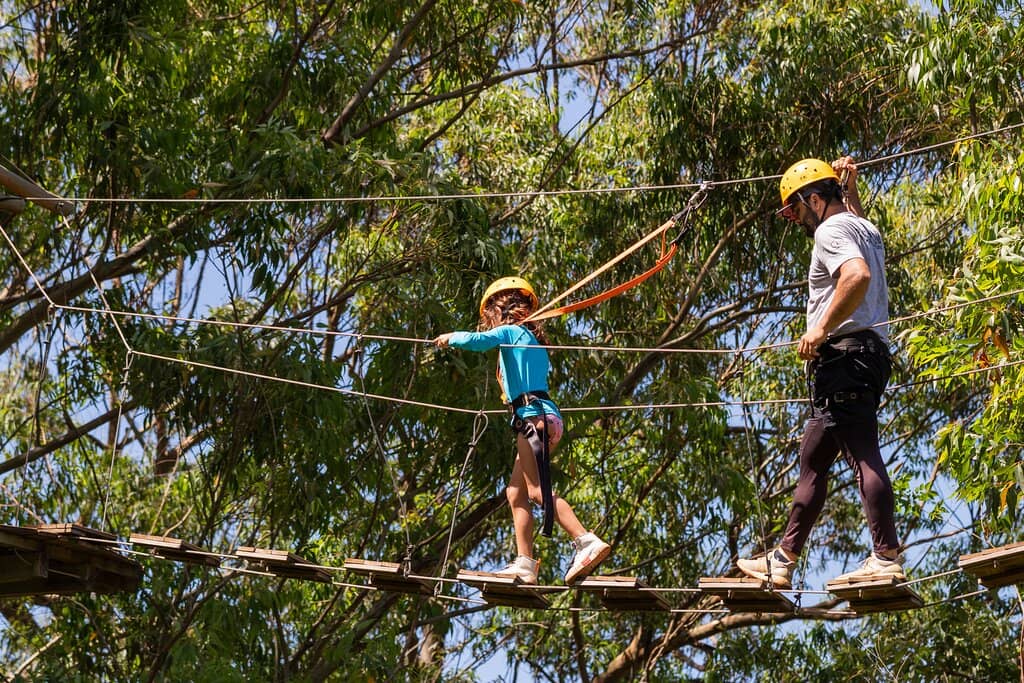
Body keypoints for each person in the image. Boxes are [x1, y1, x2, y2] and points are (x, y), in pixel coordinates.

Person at [737, 157, 903, 588]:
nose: (794, 220)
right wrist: (852, 189)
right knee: (813, 458)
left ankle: (886, 555)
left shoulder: (830, 230)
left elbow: (857, 274)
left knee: (863, 451)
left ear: (813, 199)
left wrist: (819, 329)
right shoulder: (859, 225)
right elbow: (860, 233)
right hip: (863, 357)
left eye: (794, 209)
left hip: (845, 356)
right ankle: (783, 559)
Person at [434, 276, 611, 585]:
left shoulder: (511, 332)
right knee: (516, 492)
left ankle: (585, 540)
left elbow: (477, 342)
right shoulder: (532, 341)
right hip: (544, 419)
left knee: (535, 491)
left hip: (532, 420)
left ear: (496, 311)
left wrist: (450, 337)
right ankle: (525, 563)